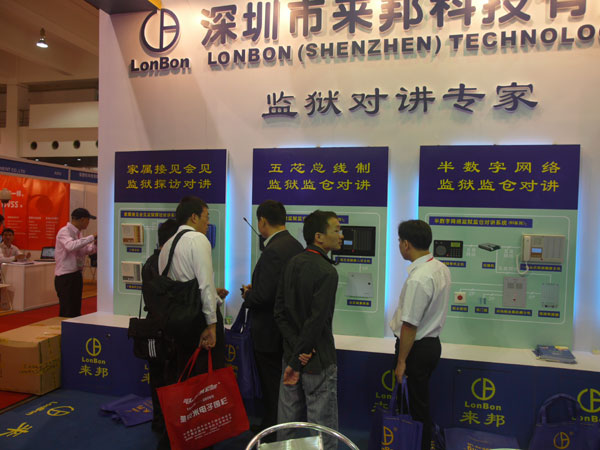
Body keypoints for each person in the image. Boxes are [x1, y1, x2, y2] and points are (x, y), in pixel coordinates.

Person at [157, 196, 228, 450]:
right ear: (194, 217)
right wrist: (212, 324)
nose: (208, 224)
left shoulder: (167, 246)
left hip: (178, 322)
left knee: (185, 380)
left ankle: (178, 437)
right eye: (206, 217)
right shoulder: (197, 240)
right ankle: (201, 437)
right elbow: (205, 285)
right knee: (205, 383)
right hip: (199, 321)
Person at [274, 210, 343, 450]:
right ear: (318, 237)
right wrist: (302, 354)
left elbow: (279, 313)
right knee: (322, 428)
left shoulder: (291, 263)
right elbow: (316, 321)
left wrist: (295, 355)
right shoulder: (327, 272)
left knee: (287, 426)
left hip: (291, 356)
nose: (341, 235)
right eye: (336, 230)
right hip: (317, 360)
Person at [241, 200, 303, 435]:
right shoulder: (295, 245)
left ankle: (272, 431)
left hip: (269, 331)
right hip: (286, 329)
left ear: (262, 221)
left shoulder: (273, 250)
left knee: (271, 385)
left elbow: (265, 296)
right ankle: (273, 426)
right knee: (279, 385)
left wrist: (248, 294)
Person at [389, 220, 451, 450]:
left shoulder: (419, 278)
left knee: (413, 408)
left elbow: (410, 325)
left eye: (399, 241)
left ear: (406, 244)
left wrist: (401, 362)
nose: (399, 246)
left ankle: (417, 445)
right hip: (431, 345)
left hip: (414, 349)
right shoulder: (440, 267)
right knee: (419, 403)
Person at [141, 218, 179, 434]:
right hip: (168, 329)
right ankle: (170, 424)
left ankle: (159, 421)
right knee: (170, 378)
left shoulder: (149, 262)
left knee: (157, 378)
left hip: (153, 329)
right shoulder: (168, 263)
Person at [54, 208, 97, 317]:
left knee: (75, 309)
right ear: (82, 219)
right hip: (65, 276)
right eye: (88, 220)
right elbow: (70, 246)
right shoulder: (64, 231)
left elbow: (85, 250)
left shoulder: (78, 234)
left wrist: (95, 244)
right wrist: (92, 237)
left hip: (76, 274)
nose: (88, 223)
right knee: (67, 310)